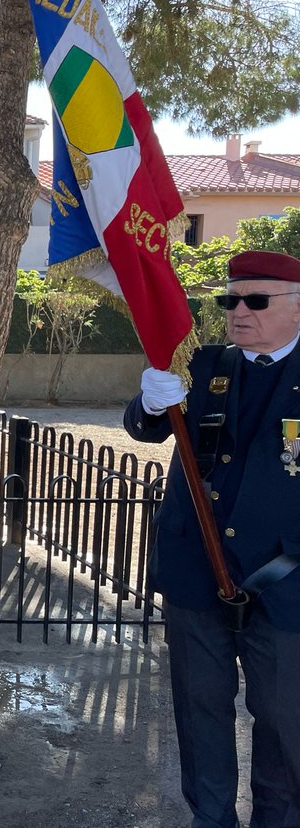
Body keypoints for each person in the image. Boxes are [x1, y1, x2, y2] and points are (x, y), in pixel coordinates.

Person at [125, 249, 300, 828]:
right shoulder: (208, 366)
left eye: (256, 300)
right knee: (200, 711)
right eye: (230, 300)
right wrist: (149, 402)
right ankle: (211, 819)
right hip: (198, 574)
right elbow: (149, 424)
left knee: (283, 720)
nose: (238, 312)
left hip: (285, 581)